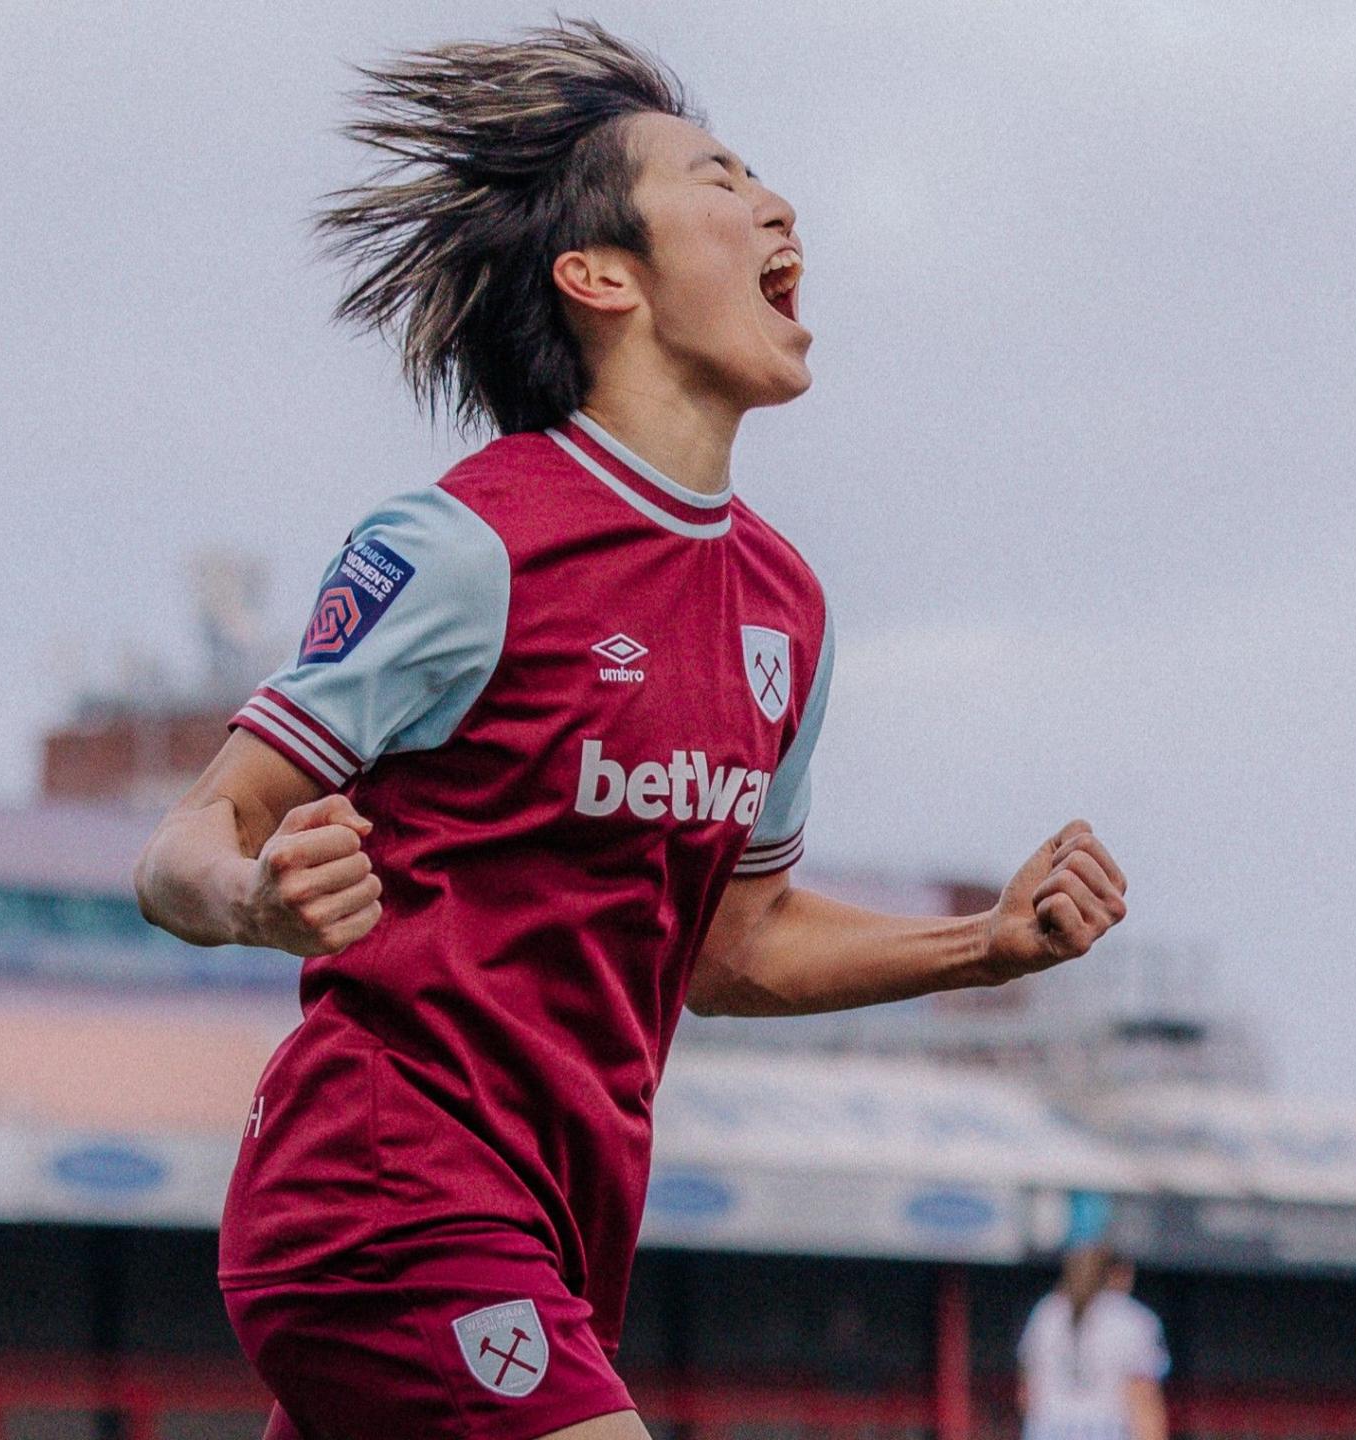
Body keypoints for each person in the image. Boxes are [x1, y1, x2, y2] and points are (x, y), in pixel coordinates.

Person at [131, 22, 1132, 1440]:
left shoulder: (785, 605)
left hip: (565, 1231)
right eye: (719, 179)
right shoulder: (467, 547)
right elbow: (187, 841)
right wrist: (254, 894)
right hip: (382, 1195)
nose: (777, 206)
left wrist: (989, 947)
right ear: (602, 277)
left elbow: (736, 944)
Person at [1016, 1246, 1169, 1440]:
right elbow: (1144, 1405)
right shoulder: (1132, 1320)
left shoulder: (1045, 1313)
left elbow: (1026, 1397)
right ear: (1122, 1272)